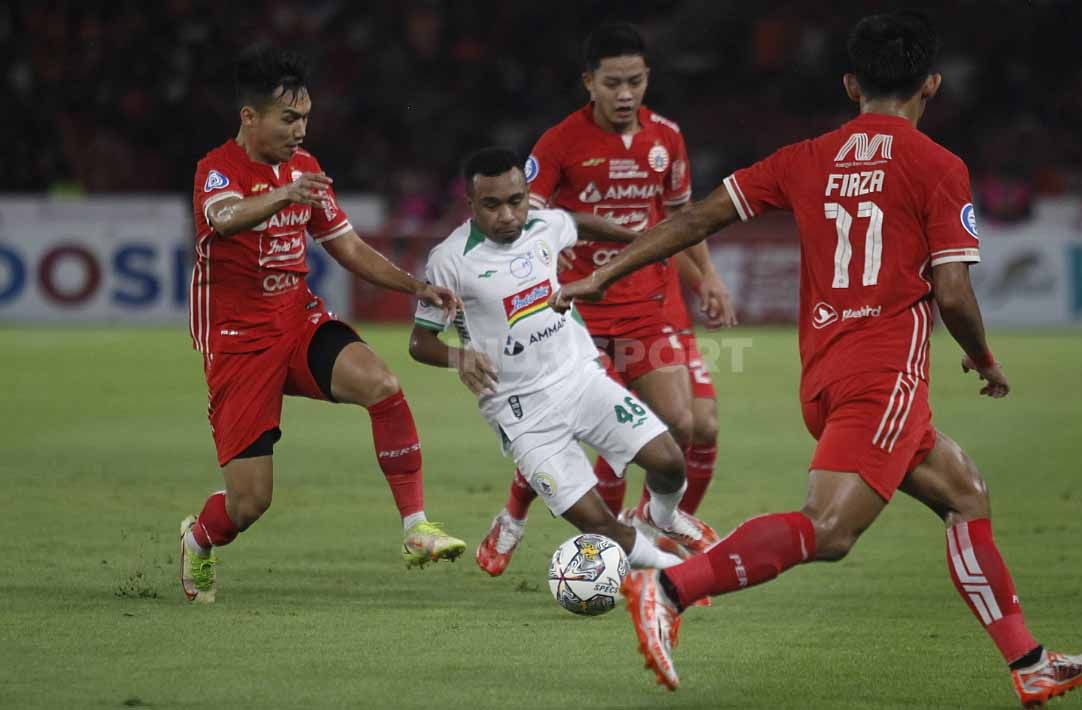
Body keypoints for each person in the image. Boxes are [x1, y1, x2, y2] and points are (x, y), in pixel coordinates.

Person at [552, 11, 1082, 707]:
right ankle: (666, 587)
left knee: (964, 493)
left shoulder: (805, 157)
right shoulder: (938, 166)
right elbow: (954, 292)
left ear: (851, 84)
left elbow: (693, 219)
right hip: (884, 377)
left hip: (825, 375)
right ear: (932, 84)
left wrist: (604, 272)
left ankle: (1029, 662)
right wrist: (983, 358)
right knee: (831, 529)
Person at [178, 46, 466, 604]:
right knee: (250, 503)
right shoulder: (216, 170)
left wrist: (416, 287)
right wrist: (281, 193)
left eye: (305, 118)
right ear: (249, 117)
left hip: (298, 319)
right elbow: (225, 219)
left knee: (382, 385)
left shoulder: (305, 170)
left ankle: (416, 528)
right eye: (289, 119)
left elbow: (349, 248)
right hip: (238, 343)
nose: (300, 130)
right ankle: (198, 539)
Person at [474, 22, 734, 577]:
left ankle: (649, 523)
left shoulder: (667, 138)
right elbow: (523, 212)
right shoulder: (559, 142)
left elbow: (680, 222)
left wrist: (706, 277)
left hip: (649, 304)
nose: (624, 94)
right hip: (578, 312)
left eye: (635, 81)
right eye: (612, 82)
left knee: (682, 425)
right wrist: (546, 249)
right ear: (588, 82)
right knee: (574, 425)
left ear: (647, 80)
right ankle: (515, 518)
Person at [408, 147, 719, 571]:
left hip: (582, 382)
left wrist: (639, 240)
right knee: (598, 523)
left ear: (526, 195)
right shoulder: (450, 261)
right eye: (492, 205)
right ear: (471, 204)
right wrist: (459, 357)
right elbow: (419, 342)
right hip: (522, 412)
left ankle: (661, 515)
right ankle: (679, 575)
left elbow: (577, 224)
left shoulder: (543, 225)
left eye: (516, 201)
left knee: (669, 462)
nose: (507, 215)